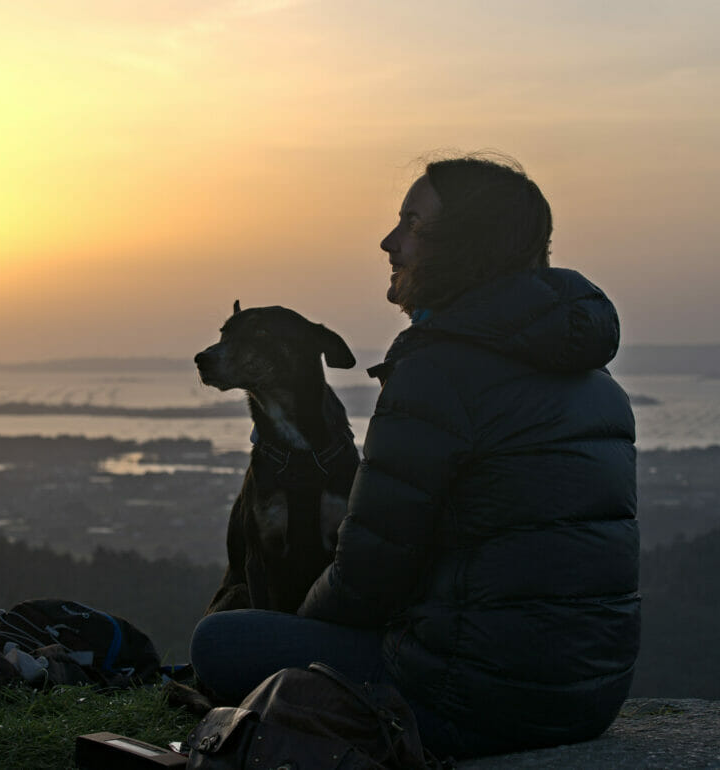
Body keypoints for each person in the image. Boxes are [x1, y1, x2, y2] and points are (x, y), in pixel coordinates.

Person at [189, 152, 639, 759]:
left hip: (468, 699)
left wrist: (301, 631)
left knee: (219, 641)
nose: (388, 241)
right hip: (586, 696)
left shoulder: (437, 369)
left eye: (412, 224)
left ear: (462, 245)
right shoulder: (594, 377)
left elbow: (368, 575)